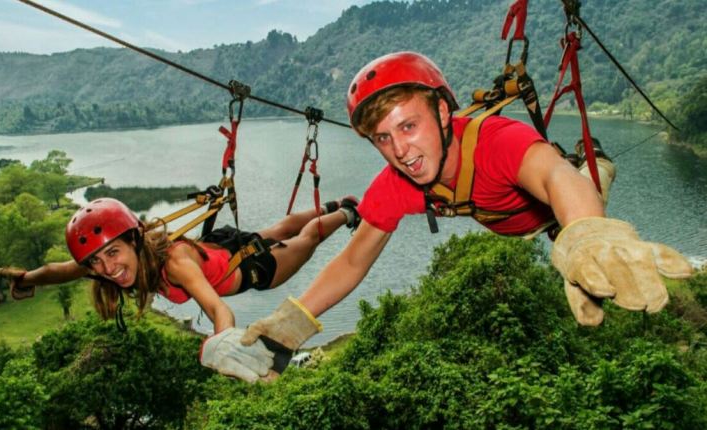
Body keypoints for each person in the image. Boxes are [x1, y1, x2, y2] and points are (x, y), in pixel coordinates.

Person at [233, 51, 694, 377]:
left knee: (588, 179)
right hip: (515, 222)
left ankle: (595, 157)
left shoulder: (498, 141)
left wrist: (588, 237)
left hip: (559, 205)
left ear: (441, 111)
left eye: (408, 126)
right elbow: (352, 261)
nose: (400, 151)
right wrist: (290, 326)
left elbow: (555, 177)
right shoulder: (398, 184)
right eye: (382, 138)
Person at [0, 195, 360, 382]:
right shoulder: (117, 257)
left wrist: (225, 350)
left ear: (135, 238)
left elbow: (218, 309)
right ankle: (333, 205)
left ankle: (348, 213)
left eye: (112, 253)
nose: (107, 269)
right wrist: (27, 279)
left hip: (252, 268)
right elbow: (60, 270)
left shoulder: (174, 263)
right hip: (219, 246)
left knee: (307, 237)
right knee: (280, 228)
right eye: (96, 262)